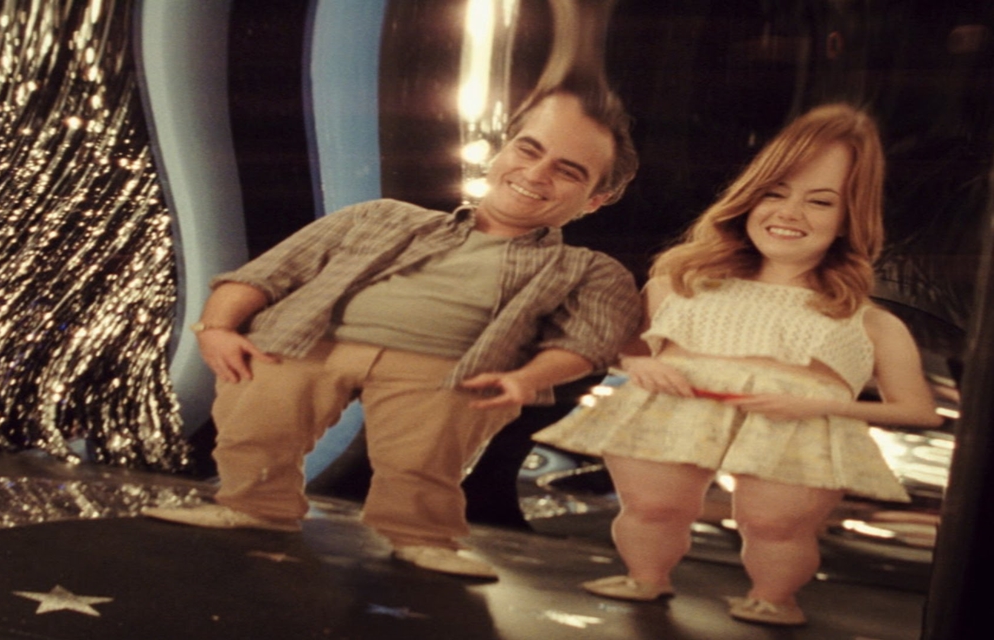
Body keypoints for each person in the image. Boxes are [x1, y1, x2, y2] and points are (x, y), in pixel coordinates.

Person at [142, 80, 642, 580]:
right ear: (501, 151)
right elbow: (265, 275)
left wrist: (527, 378)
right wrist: (216, 327)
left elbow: (589, 341)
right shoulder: (380, 216)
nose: (535, 173)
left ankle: (422, 536)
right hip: (306, 341)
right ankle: (254, 505)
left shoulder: (589, 269)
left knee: (422, 459)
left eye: (568, 171)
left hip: (449, 370)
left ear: (595, 199)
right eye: (528, 150)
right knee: (258, 422)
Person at [532, 103, 943, 625]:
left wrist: (814, 406)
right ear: (749, 198)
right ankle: (644, 576)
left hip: (795, 428)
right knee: (651, 507)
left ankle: (774, 598)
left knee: (775, 525)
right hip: (671, 409)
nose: (790, 213)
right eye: (775, 193)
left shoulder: (869, 321)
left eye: (820, 202)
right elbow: (621, 349)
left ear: (849, 220)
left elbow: (919, 411)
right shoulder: (679, 283)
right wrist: (637, 366)